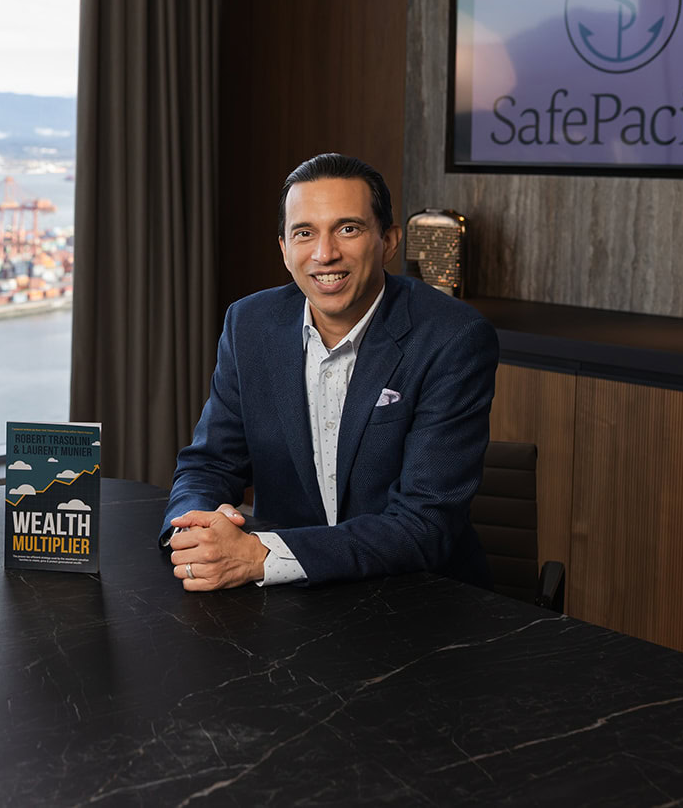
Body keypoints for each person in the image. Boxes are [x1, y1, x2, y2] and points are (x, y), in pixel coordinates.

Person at [161, 153, 498, 591]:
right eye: (304, 233)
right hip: (290, 605)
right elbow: (208, 464)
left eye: (348, 229)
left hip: (419, 602)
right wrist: (192, 533)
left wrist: (262, 555)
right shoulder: (250, 324)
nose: (325, 254)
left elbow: (425, 523)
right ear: (284, 250)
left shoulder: (452, 338)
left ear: (389, 241)